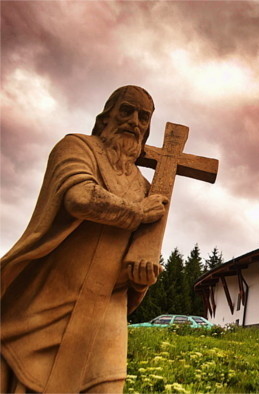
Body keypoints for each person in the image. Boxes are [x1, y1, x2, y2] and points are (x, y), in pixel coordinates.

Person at [1, 86, 168, 393]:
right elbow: (78, 198)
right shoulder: (77, 147)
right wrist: (136, 211)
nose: (134, 121)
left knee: (106, 387)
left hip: (105, 308)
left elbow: (136, 257)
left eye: (143, 117)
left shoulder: (146, 188)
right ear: (106, 117)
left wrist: (142, 279)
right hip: (49, 298)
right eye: (126, 110)